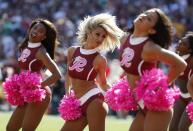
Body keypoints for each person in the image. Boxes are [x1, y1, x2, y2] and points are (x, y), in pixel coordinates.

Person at [119, 8, 187, 131]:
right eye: (144, 13)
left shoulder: (149, 48)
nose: (143, 16)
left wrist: (164, 84)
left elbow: (180, 64)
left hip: (157, 106)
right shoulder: (125, 39)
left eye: (149, 18)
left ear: (152, 30)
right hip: (143, 105)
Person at [60, 13, 123, 131]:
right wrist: (68, 93)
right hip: (77, 102)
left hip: (94, 101)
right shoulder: (72, 51)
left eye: (103, 36)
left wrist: (118, 94)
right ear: (89, 32)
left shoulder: (100, 59)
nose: (100, 39)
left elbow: (103, 83)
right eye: (97, 34)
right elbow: (68, 74)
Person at [6, 19, 61, 131]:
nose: (35, 31)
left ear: (44, 37)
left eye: (40, 31)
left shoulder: (41, 51)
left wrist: (39, 87)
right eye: (35, 28)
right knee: (11, 128)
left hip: (39, 95)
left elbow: (57, 74)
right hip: (25, 93)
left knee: (27, 129)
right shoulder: (25, 46)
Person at [169, 32, 193, 131]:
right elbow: (174, 76)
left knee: (182, 128)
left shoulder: (191, 61)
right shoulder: (175, 58)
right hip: (182, 96)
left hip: (192, 96)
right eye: (180, 41)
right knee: (172, 128)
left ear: (189, 50)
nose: (179, 44)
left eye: (183, 44)